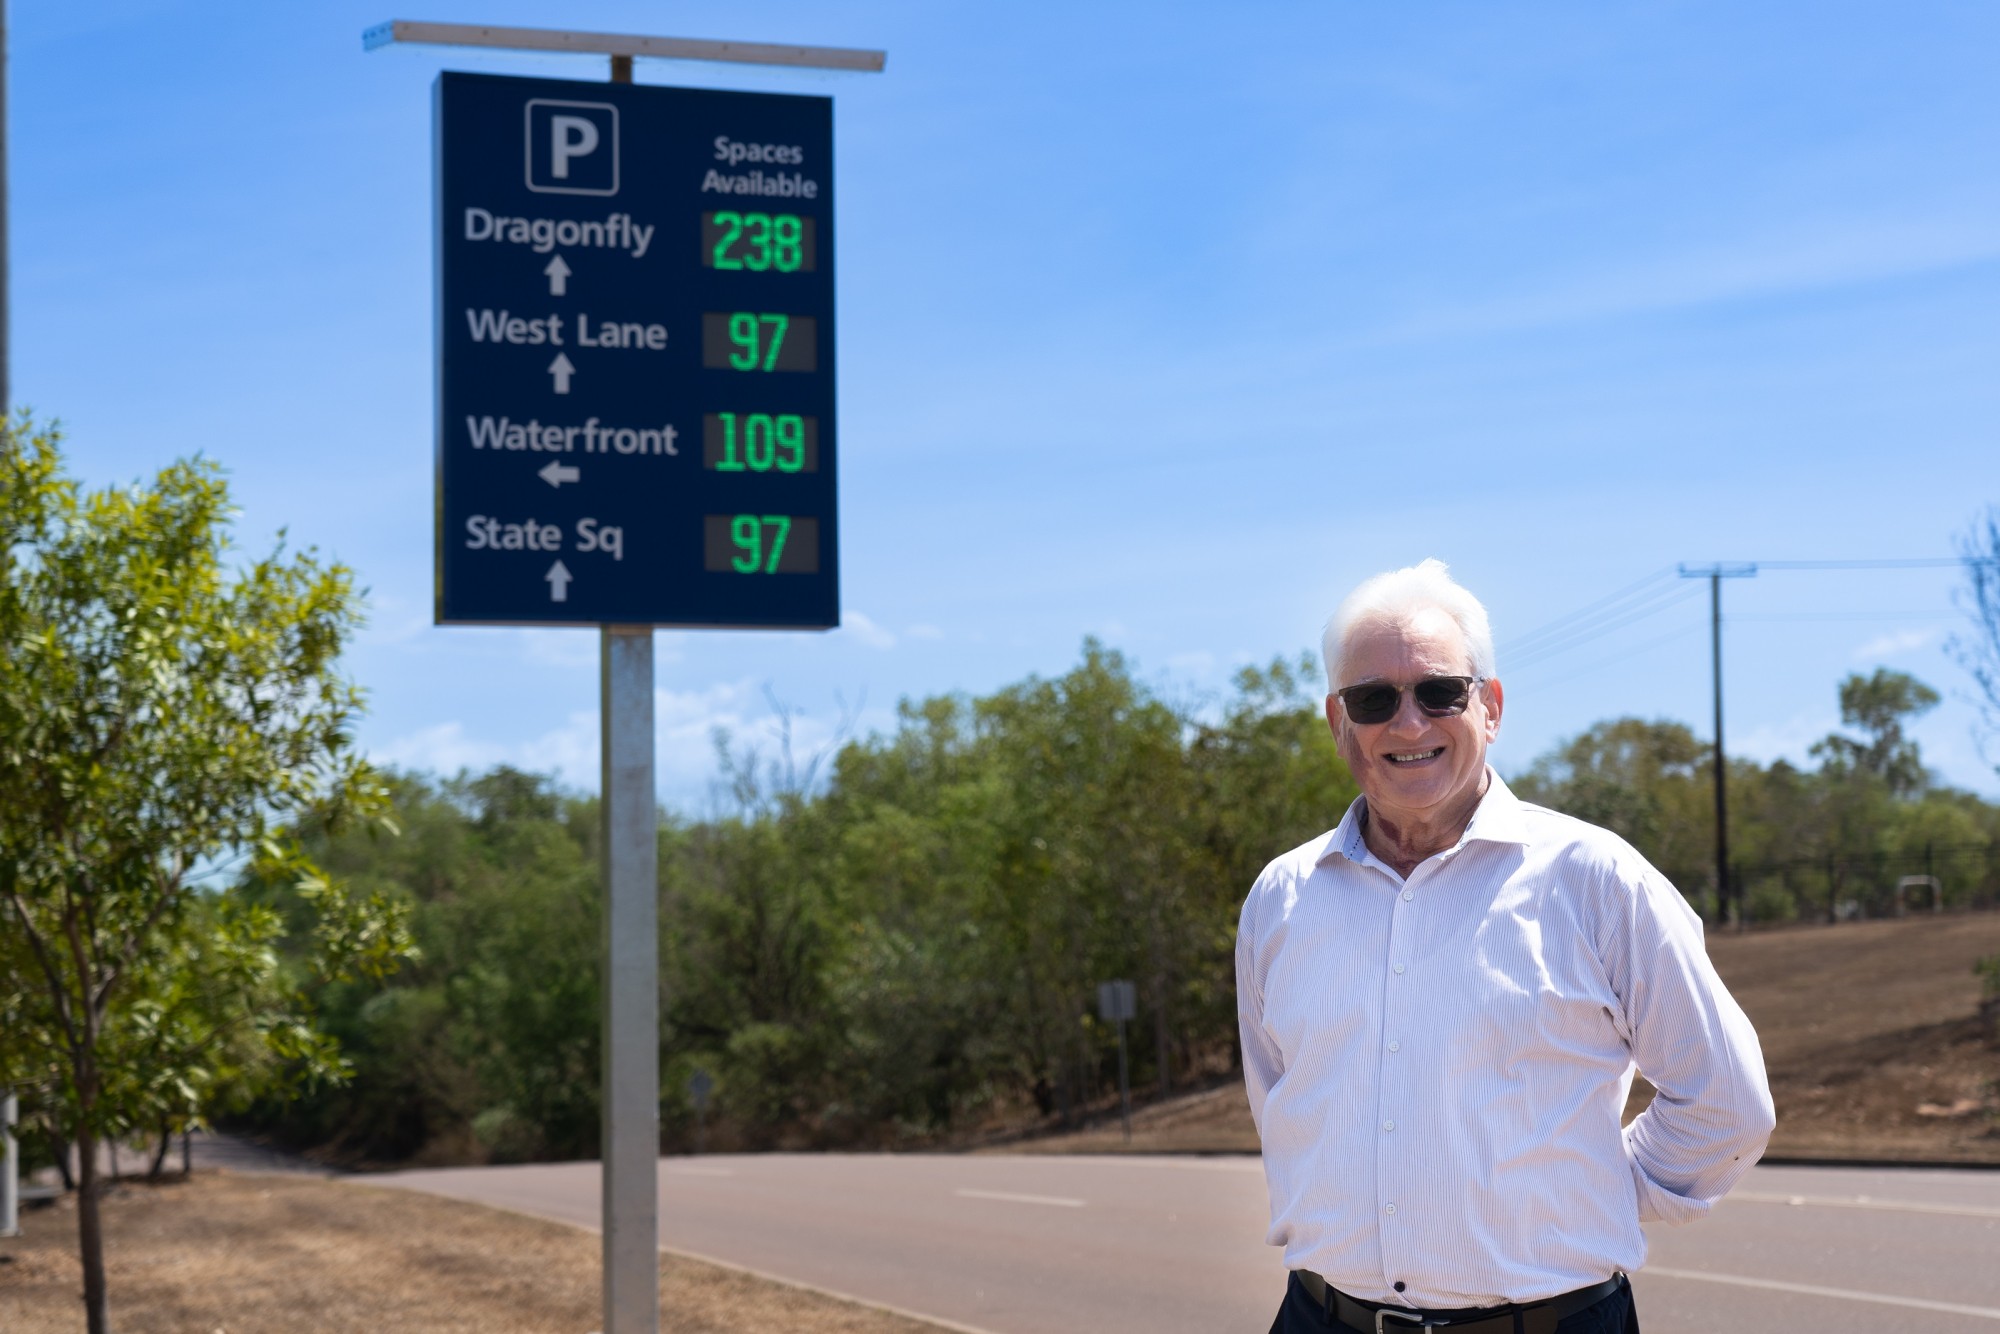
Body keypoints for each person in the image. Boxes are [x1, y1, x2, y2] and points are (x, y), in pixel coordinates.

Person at [1237, 559, 1773, 1334]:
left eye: (1439, 692)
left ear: (1489, 705)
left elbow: (1726, 1105)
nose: (1408, 724)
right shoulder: (1281, 899)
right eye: (1374, 699)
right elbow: (1283, 1111)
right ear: (1337, 721)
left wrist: (1596, 1194)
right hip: (1320, 1318)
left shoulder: (1596, 880)